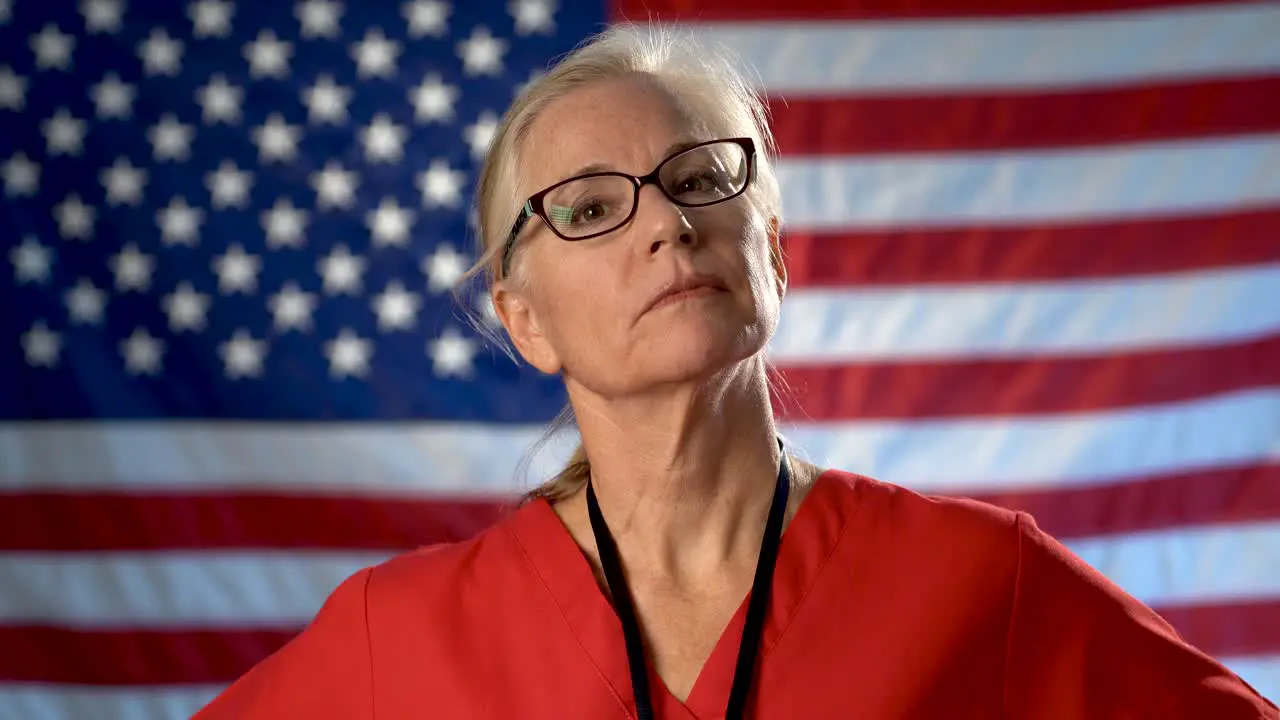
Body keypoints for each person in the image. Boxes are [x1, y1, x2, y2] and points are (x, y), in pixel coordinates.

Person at [194, 24, 1277, 719]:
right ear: (527, 325)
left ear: (772, 250)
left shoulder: (974, 582)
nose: (663, 222)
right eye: (585, 208)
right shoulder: (402, 633)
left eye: (699, 178)